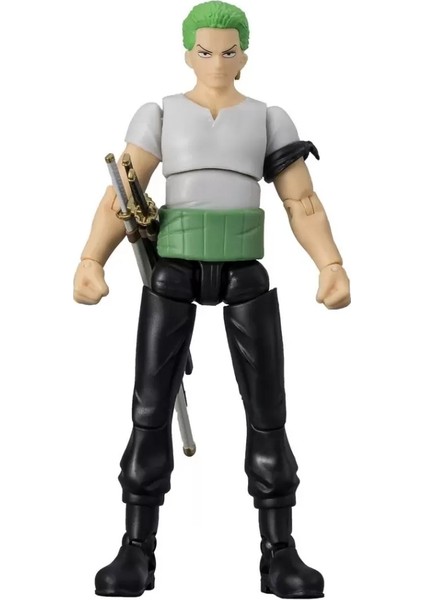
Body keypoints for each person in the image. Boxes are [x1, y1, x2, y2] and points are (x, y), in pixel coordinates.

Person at [73, 2, 350, 597]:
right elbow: (122, 196)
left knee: (268, 412)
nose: (218, 62)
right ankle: (135, 549)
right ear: (187, 54)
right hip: (172, 271)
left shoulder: (267, 119)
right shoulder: (161, 114)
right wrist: (92, 258)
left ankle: (280, 553)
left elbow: (301, 201)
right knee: (150, 410)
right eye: (205, 51)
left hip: (244, 272)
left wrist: (329, 262)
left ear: (245, 54)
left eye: (229, 51)